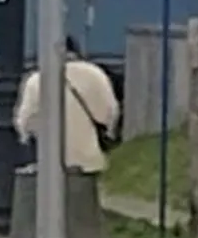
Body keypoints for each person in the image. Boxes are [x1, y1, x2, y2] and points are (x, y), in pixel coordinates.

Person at [14, 35, 119, 175]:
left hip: (50, 162)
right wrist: (109, 132)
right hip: (92, 160)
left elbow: (25, 122)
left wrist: (31, 136)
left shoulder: (37, 80)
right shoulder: (96, 74)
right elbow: (111, 111)